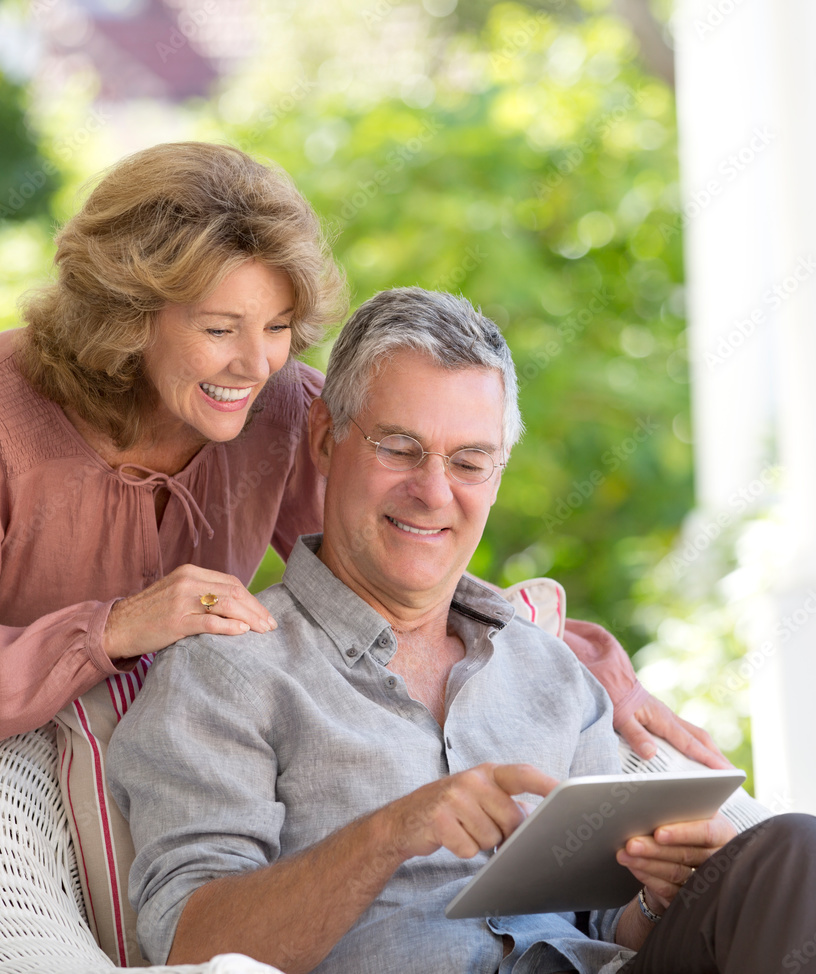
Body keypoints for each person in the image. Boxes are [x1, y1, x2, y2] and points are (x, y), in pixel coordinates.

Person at [0, 141, 720, 905]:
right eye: (221, 329)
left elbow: (392, 555)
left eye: (281, 326)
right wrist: (116, 627)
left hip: (124, 700)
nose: (255, 364)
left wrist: (578, 661)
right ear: (130, 316)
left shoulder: (282, 406)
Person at [108, 287, 816, 974]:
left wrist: (663, 894)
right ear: (325, 437)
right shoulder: (229, 669)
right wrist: (392, 832)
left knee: (790, 851)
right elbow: (192, 946)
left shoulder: (550, 671)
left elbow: (606, 926)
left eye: (470, 462)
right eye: (400, 448)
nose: (434, 492)